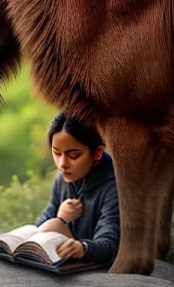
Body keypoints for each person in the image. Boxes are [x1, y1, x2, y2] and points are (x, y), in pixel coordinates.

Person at [35, 112, 120, 265]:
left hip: (97, 267)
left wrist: (83, 248)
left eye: (73, 155)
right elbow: (44, 221)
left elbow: (110, 242)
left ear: (98, 153)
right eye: (56, 153)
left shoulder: (115, 185)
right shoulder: (62, 178)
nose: (62, 164)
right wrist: (61, 218)